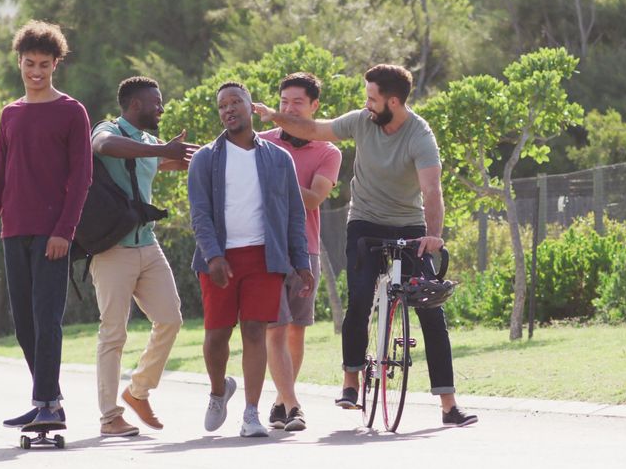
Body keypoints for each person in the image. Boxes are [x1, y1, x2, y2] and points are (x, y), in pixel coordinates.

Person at [253, 64, 479, 427]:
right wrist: (273, 115)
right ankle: (351, 381)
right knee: (358, 298)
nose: (366, 104)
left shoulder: (419, 134)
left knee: (431, 313)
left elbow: (432, 190)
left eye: (372, 99)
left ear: (393, 101)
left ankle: (449, 406)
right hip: (365, 223)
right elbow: (312, 128)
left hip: (410, 225)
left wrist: (433, 234)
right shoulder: (361, 121)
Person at [0, 21, 92, 430]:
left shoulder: (72, 111)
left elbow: (82, 178)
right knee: (24, 321)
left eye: (44, 64)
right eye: (29, 63)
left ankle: (48, 404)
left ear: (56, 63)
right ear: (19, 62)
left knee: (46, 318)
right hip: (13, 231)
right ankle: (48, 398)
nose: (36, 72)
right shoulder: (11, 114)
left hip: (52, 233)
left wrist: (65, 231)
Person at [188, 81, 315, 437]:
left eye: (235, 102)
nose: (228, 109)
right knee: (216, 336)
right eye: (222, 106)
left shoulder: (278, 158)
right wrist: (213, 256)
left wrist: (300, 262)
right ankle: (218, 391)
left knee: (256, 332)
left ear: (250, 106)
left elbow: (292, 214)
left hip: (264, 258)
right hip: (220, 262)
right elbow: (199, 214)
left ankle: (251, 413)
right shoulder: (205, 159)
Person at [88, 76, 199, 437]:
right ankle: (109, 417)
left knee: (170, 318)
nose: (162, 108)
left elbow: (182, 159)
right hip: (111, 249)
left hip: (147, 246)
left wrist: (228, 147)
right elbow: (102, 146)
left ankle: (137, 391)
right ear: (136, 105)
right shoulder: (109, 129)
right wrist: (161, 151)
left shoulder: (152, 143)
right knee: (113, 333)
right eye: (157, 102)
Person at [258, 73, 342, 432]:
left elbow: (314, 198)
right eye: (283, 103)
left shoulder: (328, 151)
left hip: (304, 250)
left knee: (296, 331)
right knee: (273, 329)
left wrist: (275, 177)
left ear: (314, 107)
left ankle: (280, 401)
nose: (288, 109)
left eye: (297, 103)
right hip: (262, 248)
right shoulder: (258, 142)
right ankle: (292, 405)